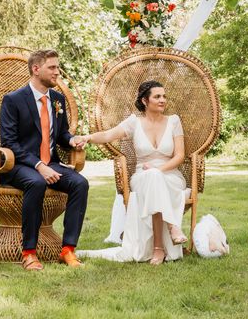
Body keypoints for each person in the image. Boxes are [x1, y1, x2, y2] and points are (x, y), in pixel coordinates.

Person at [77, 80, 188, 265]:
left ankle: (158, 249)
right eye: (157, 96)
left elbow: (180, 156)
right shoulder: (134, 123)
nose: (163, 100)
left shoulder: (174, 121)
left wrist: (158, 170)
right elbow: (107, 135)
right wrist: (87, 138)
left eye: (164, 96)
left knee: (155, 176)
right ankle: (173, 227)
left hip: (171, 175)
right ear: (145, 100)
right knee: (152, 178)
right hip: (142, 177)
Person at [0, 49, 89, 271]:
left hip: (51, 163)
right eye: (52, 67)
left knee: (80, 183)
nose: (57, 72)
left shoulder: (58, 100)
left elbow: (61, 135)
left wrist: (72, 140)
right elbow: (9, 143)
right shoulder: (13, 100)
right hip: (20, 165)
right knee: (36, 182)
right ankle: (29, 253)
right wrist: (39, 166)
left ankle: (68, 250)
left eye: (58, 67)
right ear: (36, 69)